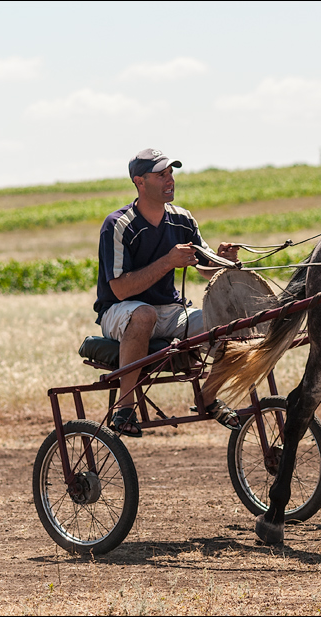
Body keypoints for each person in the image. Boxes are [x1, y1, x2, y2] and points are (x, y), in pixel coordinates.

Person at [94, 148, 239, 437]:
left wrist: (227, 261)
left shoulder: (182, 219)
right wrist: (167, 263)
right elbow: (120, 289)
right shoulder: (118, 225)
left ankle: (208, 396)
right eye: (161, 175)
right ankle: (125, 408)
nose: (169, 179)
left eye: (171, 173)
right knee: (144, 313)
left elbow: (206, 267)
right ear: (140, 181)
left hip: (171, 312)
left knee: (227, 322)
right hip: (118, 313)